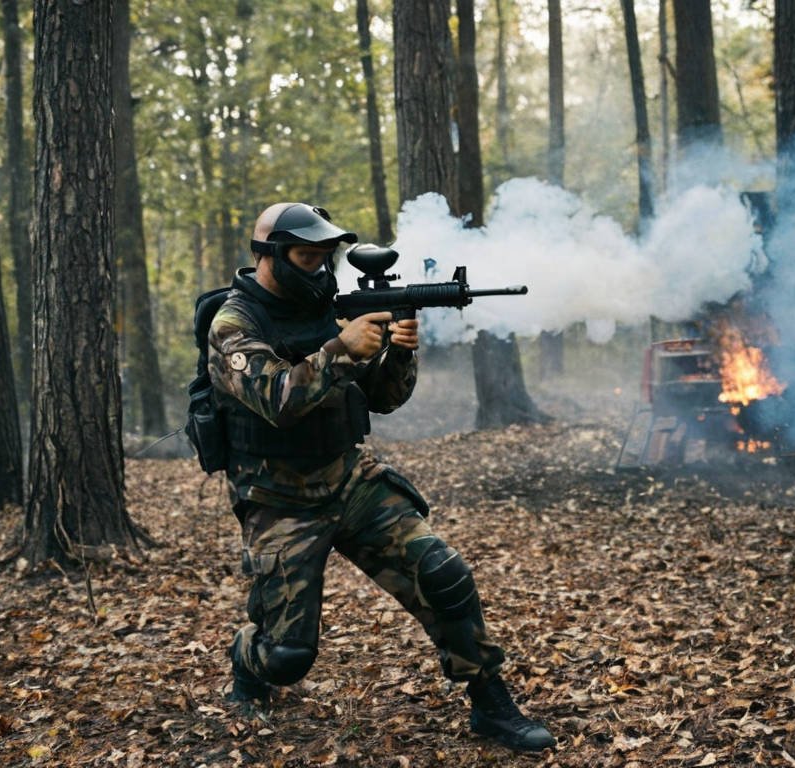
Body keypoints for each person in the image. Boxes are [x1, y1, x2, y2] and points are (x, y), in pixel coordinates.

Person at [206, 202, 555, 752]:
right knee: (287, 657)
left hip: (350, 479)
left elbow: (384, 399)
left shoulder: (331, 307)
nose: (318, 267)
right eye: (306, 256)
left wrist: (397, 354)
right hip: (279, 498)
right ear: (268, 255)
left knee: (442, 575)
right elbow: (277, 400)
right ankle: (248, 655)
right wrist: (341, 349)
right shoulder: (234, 322)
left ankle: (491, 703)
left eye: (325, 256)